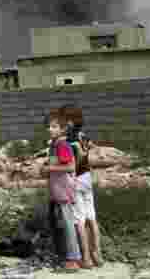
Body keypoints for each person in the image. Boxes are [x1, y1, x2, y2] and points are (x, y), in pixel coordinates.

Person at [45, 113, 82, 272]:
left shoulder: (62, 145)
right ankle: (64, 257)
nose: (50, 129)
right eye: (49, 126)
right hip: (57, 191)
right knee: (60, 225)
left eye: (54, 127)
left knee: (67, 225)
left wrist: (49, 168)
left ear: (62, 130)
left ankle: (73, 260)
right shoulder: (55, 145)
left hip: (64, 191)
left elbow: (70, 167)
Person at [67, 121, 102, 267]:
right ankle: (97, 254)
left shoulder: (70, 142)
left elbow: (71, 165)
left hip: (77, 180)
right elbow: (94, 147)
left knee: (79, 221)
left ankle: (86, 258)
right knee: (92, 218)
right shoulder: (83, 138)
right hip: (87, 177)